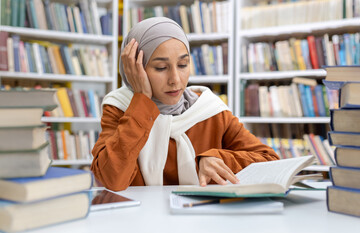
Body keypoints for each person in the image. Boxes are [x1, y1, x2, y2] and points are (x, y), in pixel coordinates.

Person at [91, 17, 279, 191]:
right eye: (161, 68)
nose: (175, 80)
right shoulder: (120, 108)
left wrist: (218, 158)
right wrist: (141, 100)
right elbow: (112, 179)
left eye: (183, 65)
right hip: (141, 223)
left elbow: (270, 162)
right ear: (133, 69)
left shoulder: (210, 109)